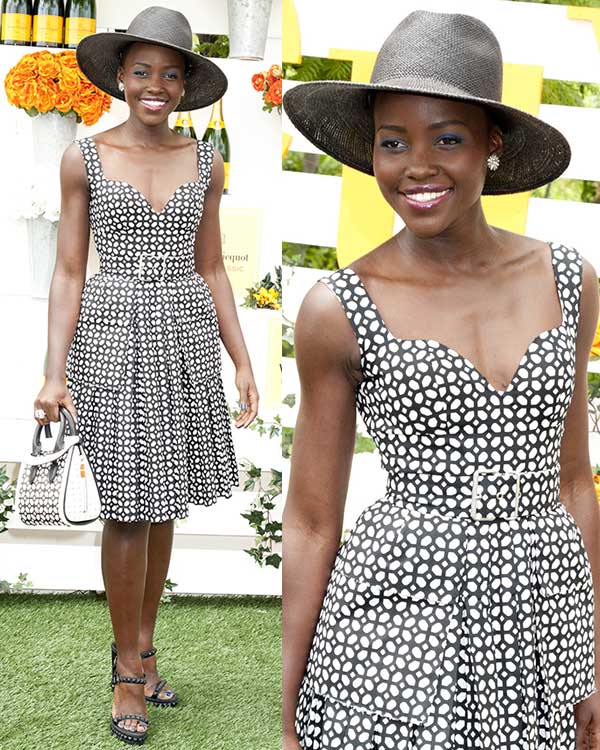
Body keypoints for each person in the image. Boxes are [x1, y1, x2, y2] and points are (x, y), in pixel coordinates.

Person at [282, 9, 599, 749]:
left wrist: (590, 660)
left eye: (446, 139)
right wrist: (292, 705)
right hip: (396, 624)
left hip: (541, 626)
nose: (416, 166)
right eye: (393, 143)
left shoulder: (570, 280)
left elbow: (576, 484)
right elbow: (310, 520)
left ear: (492, 145)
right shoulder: (338, 308)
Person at [32, 5, 259, 745]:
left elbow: (213, 265)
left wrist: (243, 356)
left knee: (162, 507)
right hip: (109, 335)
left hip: (186, 335)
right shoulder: (84, 158)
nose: (154, 85)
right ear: (120, 78)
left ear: (187, 84)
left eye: (170, 73)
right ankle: (128, 673)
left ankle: (144, 646)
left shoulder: (206, 161)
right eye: (141, 72)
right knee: (128, 507)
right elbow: (68, 270)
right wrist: (52, 374)